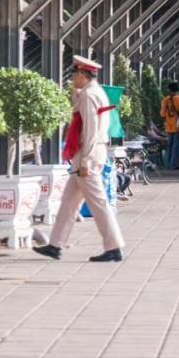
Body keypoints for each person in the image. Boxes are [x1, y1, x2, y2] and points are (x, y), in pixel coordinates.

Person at [34, 56, 126, 262]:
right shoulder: (92, 92)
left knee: (99, 203)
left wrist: (86, 162)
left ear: (83, 75)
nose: (72, 78)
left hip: (88, 155)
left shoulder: (89, 96)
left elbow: (91, 130)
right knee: (68, 202)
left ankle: (114, 247)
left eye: (74, 74)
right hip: (88, 154)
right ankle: (55, 245)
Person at [160, 82, 179, 170]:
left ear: (169, 90)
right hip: (178, 126)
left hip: (169, 126)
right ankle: (174, 164)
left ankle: (167, 164)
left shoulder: (165, 100)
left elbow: (162, 114)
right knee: (176, 146)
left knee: (169, 145)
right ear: (178, 90)